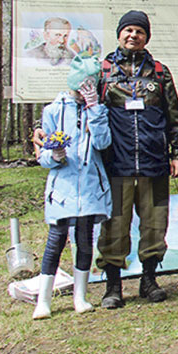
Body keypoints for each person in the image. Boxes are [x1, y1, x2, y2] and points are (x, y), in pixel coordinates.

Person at [96, 10, 178, 308]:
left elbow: (175, 118)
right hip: (115, 165)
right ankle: (113, 286)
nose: (133, 35)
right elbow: (86, 112)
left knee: (154, 224)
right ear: (119, 34)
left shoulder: (159, 72)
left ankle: (149, 280)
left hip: (154, 165)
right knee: (115, 225)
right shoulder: (103, 72)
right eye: (129, 30)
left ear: (147, 37)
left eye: (139, 31)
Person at [33, 56, 111, 319]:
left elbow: (102, 143)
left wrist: (95, 109)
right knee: (55, 239)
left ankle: (81, 295)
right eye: (80, 88)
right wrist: (53, 156)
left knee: (85, 238)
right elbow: (42, 154)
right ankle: (43, 300)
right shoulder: (54, 110)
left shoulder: (97, 110)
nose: (83, 93)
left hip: (90, 185)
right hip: (63, 187)